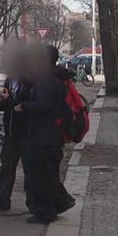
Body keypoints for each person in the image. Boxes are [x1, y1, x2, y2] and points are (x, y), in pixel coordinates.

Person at [16, 44, 75, 224]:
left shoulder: (49, 80)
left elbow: (43, 105)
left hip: (46, 135)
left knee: (45, 175)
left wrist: (25, 107)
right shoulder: (47, 78)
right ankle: (54, 204)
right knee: (45, 174)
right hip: (44, 134)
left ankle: (47, 211)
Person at [0, 44, 31, 212]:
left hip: (26, 131)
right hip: (11, 130)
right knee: (7, 166)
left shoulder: (30, 80)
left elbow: (25, 103)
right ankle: (1, 200)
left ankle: (34, 203)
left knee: (29, 168)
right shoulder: (10, 79)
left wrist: (11, 103)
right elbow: (9, 103)